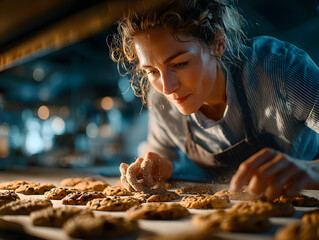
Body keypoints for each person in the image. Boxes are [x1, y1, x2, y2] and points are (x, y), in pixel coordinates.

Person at [108, 0, 319, 200]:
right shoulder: (161, 100)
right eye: (152, 72)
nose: (167, 88)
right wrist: (155, 167)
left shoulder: (281, 69)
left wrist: (309, 170)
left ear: (218, 43)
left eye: (180, 64)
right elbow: (163, 155)